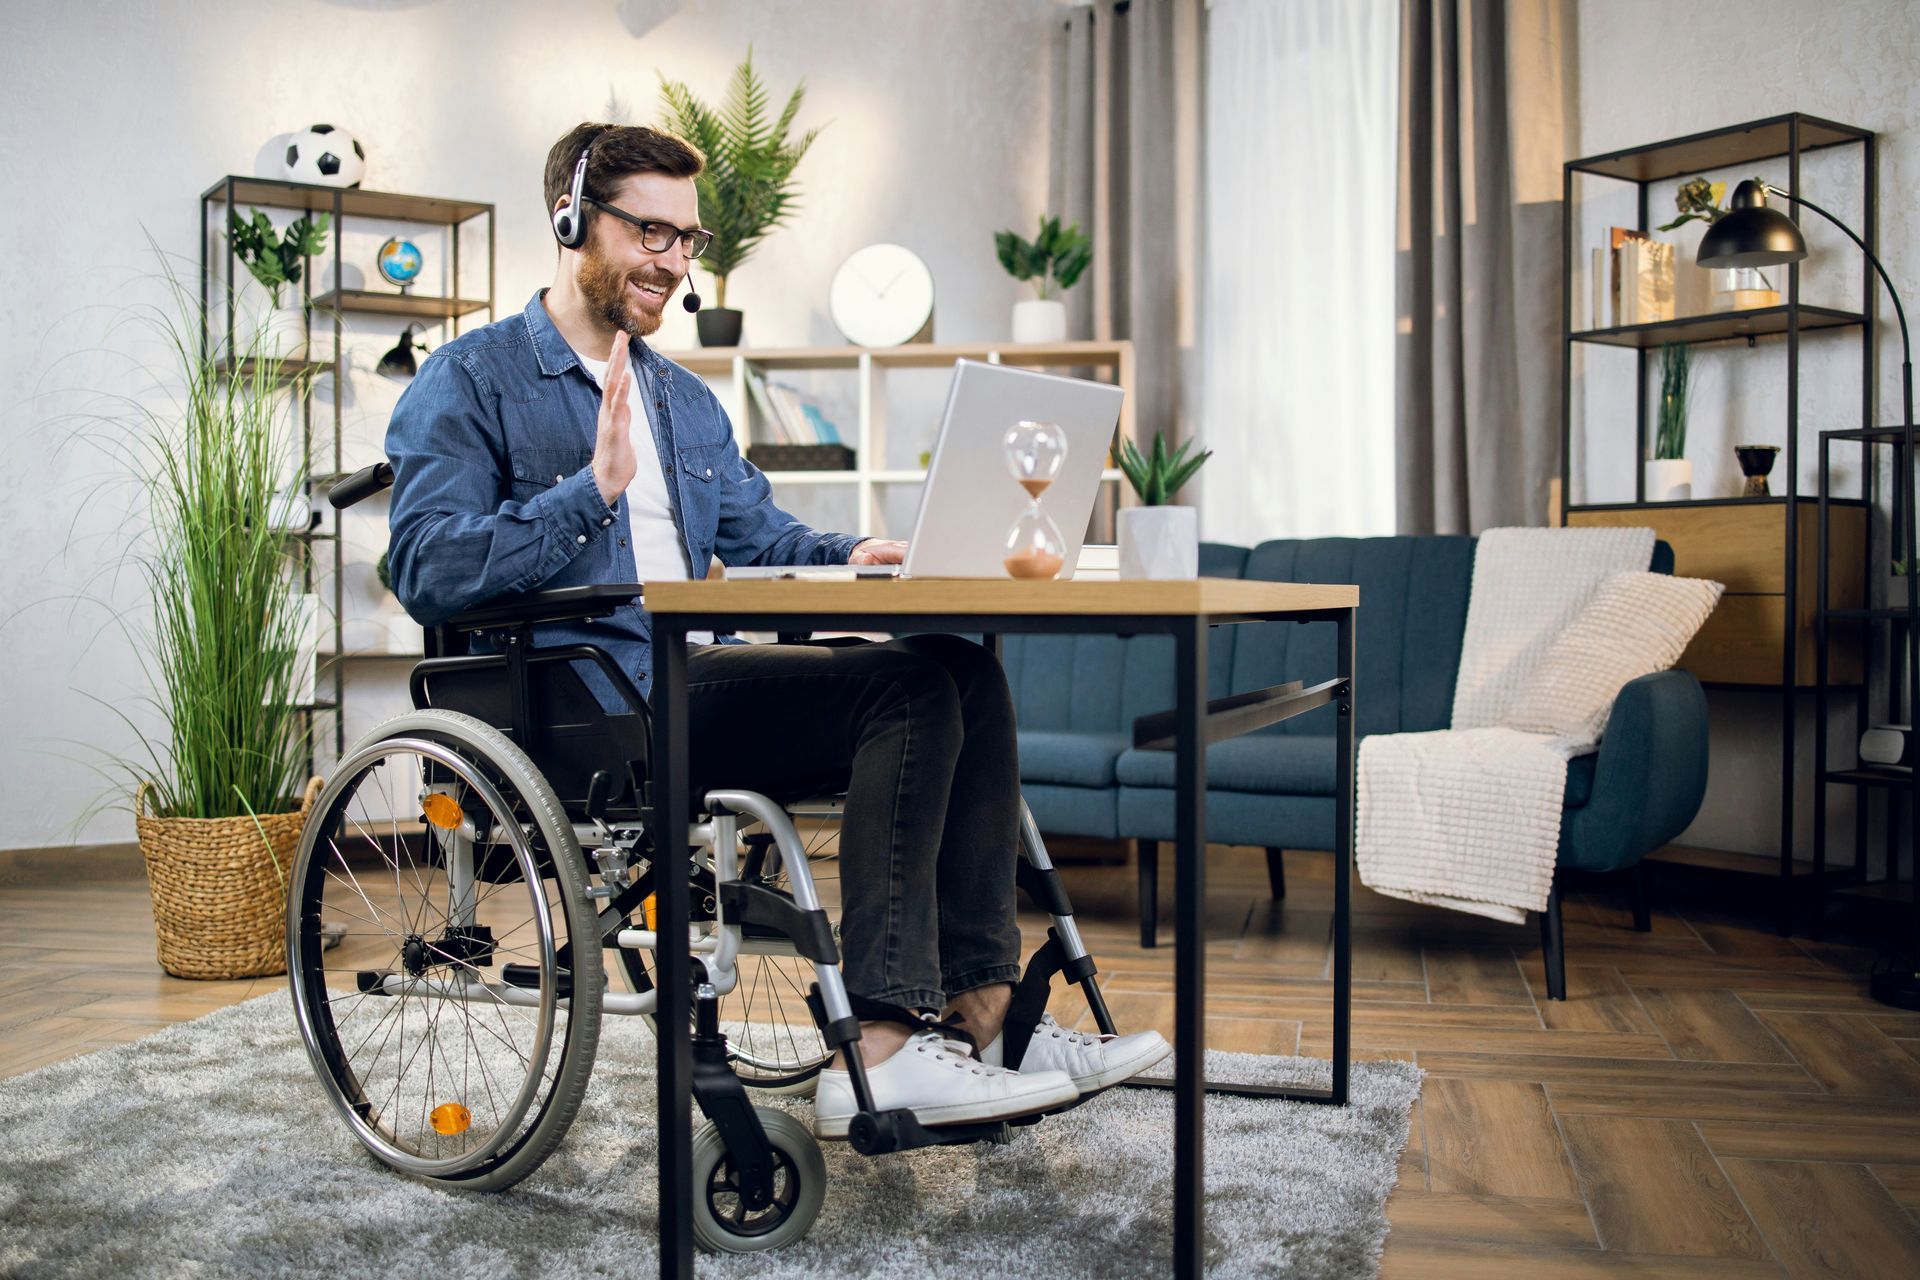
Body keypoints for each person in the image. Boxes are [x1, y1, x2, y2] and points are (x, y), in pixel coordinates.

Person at [384, 122, 1169, 1137]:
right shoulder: (472, 378)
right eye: (649, 232)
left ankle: (986, 1018)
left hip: (697, 677)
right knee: (908, 687)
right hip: (589, 705)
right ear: (573, 222)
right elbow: (426, 567)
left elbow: (763, 532)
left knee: (958, 667)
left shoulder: (680, 399)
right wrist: (591, 493)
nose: (672, 261)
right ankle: (881, 1047)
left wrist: (857, 554)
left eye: (687, 239)